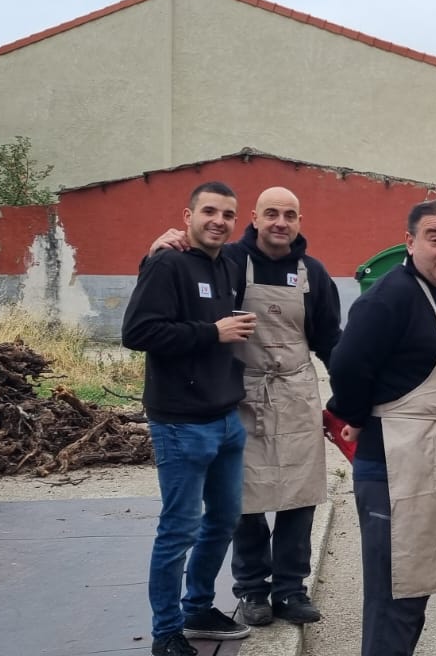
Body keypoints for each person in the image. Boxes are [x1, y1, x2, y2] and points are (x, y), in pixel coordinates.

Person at [147, 186, 342, 627]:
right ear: (253, 218)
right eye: (271, 213)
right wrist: (157, 249)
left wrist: (349, 395)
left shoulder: (313, 272)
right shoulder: (230, 262)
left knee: (300, 496)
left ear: (299, 222)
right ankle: (253, 590)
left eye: (290, 215)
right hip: (241, 393)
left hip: (295, 394)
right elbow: (183, 273)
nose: (280, 223)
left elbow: (330, 340)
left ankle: (291, 590)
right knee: (245, 501)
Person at [326, 199, 436, 656]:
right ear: (409, 242)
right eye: (435, 238)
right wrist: (354, 416)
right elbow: (347, 364)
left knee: (414, 591)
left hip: (428, 468)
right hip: (394, 474)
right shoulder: (391, 296)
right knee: (393, 598)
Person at [122, 181, 256, 656]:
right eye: (210, 211)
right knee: (179, 528)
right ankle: (166, 632)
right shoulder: (167, 262)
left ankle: (199, 606)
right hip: (180, 422)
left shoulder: (231, 264)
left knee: (223, 520)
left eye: (228, 214)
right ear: (188, 215)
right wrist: (210, 333)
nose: (219, 220)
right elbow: (137, 331)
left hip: (225, 418)